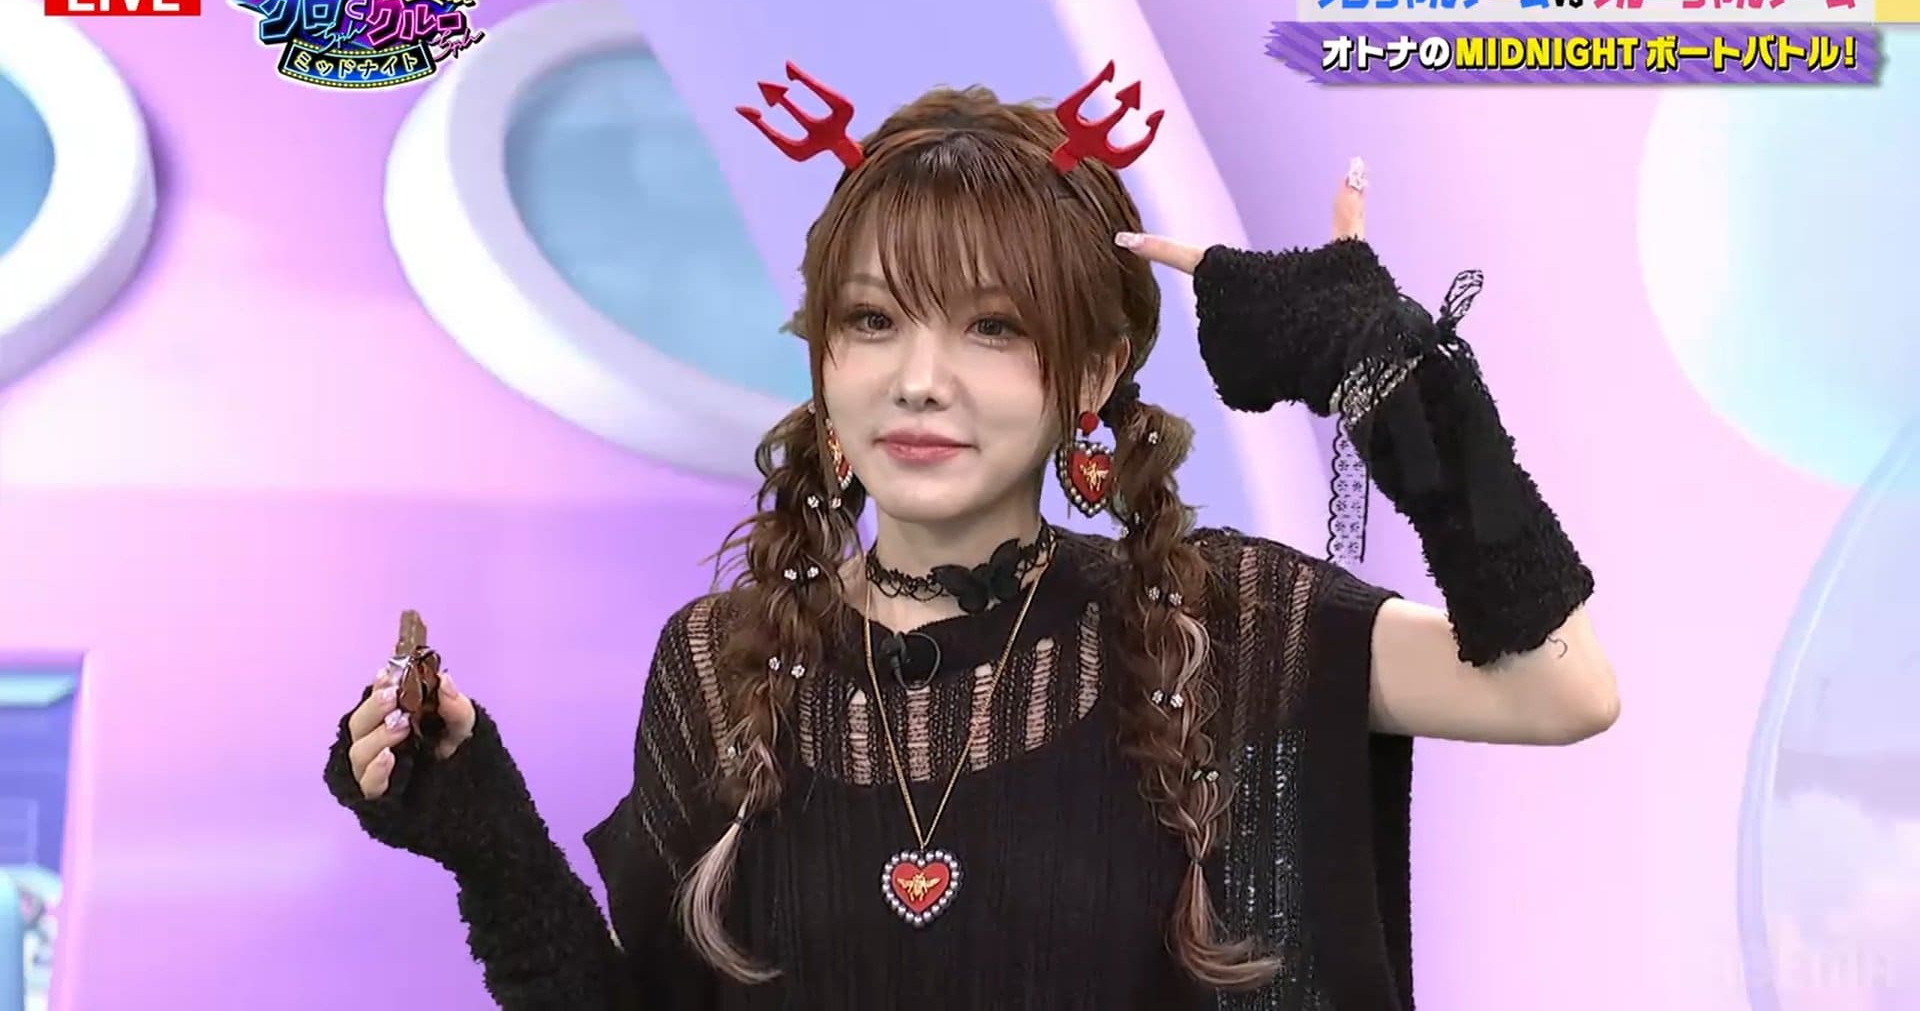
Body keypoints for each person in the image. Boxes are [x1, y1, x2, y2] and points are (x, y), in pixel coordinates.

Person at [323, 75, 1619, 1010]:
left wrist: (1389, 372)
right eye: (874, 321)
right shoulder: (720, 665)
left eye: (990, 327)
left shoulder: (1216, 622)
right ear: (824, 363)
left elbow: (1560, 687)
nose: (919, 378)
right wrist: (487, 838)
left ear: (1091, 370)